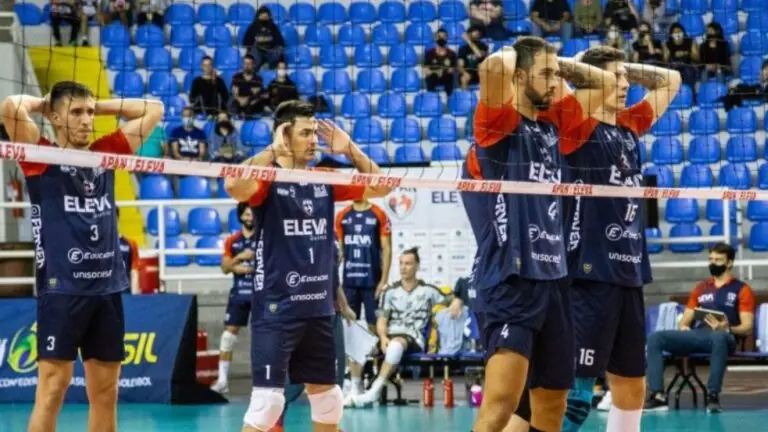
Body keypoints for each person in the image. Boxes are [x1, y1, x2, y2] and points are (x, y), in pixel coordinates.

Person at [461, 36, 615, 432]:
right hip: (511, 280)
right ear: (520, 77)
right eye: (545, 75)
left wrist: (556, 65)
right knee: (500, 405)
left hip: (554, 281)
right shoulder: (498, 125)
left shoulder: (554, 128)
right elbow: (491, 69)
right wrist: (521, 58)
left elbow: (603, 85)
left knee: (552, 404)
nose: (555, 82)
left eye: (555, 75)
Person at [1, 82, 163, 432]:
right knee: (52, 389)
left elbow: (154, 108)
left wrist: (95, 106)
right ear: (56, 118)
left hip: (106, 290)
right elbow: (11, 107)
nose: (86, 120)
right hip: (62, 291)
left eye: (89, 113)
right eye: (76, 112)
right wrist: (49, 104)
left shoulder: (106, 153)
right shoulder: (39, 156)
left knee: (105, 392)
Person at [224, 99, 393, 432]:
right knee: (267, 405)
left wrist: (351, 150)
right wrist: (271, 152)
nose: (315, 139)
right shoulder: (266, 179)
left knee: (329, 401)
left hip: (318, 310)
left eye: (315, 132)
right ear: (285, 137)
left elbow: (383, 186)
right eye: (306, 133)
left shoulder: (325, 178)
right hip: (277, 310)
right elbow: (233, 185)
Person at [556, 46, 681, 432]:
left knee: (632, 385)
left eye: (626, 78)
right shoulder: (576, 126)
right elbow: (569, 83)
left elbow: (671, 80)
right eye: (616, 79)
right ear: (593, 83)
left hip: (628, 271)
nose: (624, 84)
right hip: (588, 272)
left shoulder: (628, 126)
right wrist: (586, 69)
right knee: (574, 396)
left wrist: (621, 66)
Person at [645, 243, 755, 413]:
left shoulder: (742, 289)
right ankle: (658, 396)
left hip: (725, 337)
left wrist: (727, 328)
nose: (713, 263)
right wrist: (683, 327)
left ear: (730, 263)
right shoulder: (701, 288)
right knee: (655, 338)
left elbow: (747, 327)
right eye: (711, 259)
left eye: (718, 260)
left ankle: (713, 395)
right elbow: (686, 320)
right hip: (699, 335)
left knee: (718, 336)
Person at [347, 247, 464, 408]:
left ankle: (373, 392)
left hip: (413, 338)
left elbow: (452, 298)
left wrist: (457, 301)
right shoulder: (389, 292)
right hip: (388, 337)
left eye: (408, 264)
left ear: (417, 266)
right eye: (401, 263)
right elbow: (381, 320)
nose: (403, 267)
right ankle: (355, 390)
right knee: (356, 343)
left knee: (396, 345)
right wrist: (382, 338)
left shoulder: (428, 290)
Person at [270, 244, 356, 432]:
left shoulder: (329, 242)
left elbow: (334, 280)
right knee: (301, 376)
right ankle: (273, 421)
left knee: (336, 375)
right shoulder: (293, 242)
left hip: (332, 314)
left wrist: (344, 305)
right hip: (307, 316)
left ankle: (331, 427)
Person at [211, 202, 259, 394]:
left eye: (252, 214)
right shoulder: (232, 240)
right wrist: (240, 258)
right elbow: (224, 268)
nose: (249, 218)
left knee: (262, 338)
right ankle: (222, 381)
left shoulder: (263, 236)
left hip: (259, 294)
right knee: (227, 337)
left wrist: (249, 268)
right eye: (246, 214)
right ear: (240, 216)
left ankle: (263, 381)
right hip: (239, 294)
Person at [116, 207, 140, 295]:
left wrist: (134, 299)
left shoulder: (130, 244)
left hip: (124, 294)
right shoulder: (98, 245)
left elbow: (134, 272)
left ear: (117, 219)